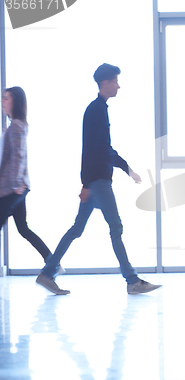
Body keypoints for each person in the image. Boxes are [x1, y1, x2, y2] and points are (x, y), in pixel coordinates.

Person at [36, 63, 161, 295]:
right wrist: (87, 184)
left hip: (96, 181)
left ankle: (47, 273)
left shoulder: (99, 109)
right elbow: (94, 150)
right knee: (115, 227)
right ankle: (132, 281)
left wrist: (126, 168)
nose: (118, 86)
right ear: (105, 83)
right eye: (115, 81)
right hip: (98, 183)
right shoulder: (96, 110)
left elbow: (103, 148)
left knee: (77, 229)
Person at [0, 86, 55, 265]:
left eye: (6, 98)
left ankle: (52, 262)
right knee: (23, 229)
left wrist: (16, 185)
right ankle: (52, 262)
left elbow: (18, 157)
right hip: (16, 188)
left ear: (15, 103)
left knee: (23, 229)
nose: (3, 102)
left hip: (11, 189)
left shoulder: (15, 127)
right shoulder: (17, 125)